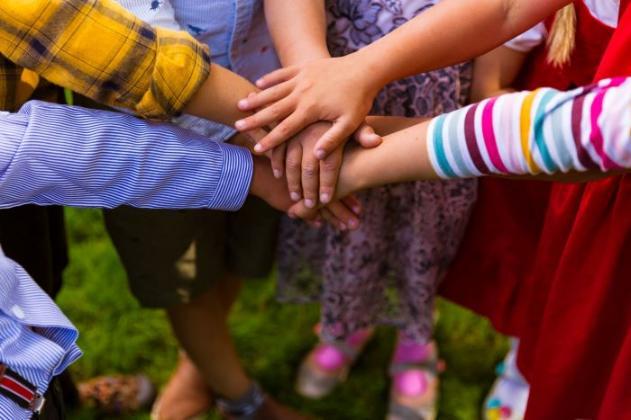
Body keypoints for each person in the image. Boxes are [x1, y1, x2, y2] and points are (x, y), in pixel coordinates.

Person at [264, 2, 474, 418]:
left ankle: (415, 342)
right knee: (347, 210)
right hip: (336, 66)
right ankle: (348, 322)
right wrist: (313, 78)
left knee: (424, 225)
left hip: (439, 87)